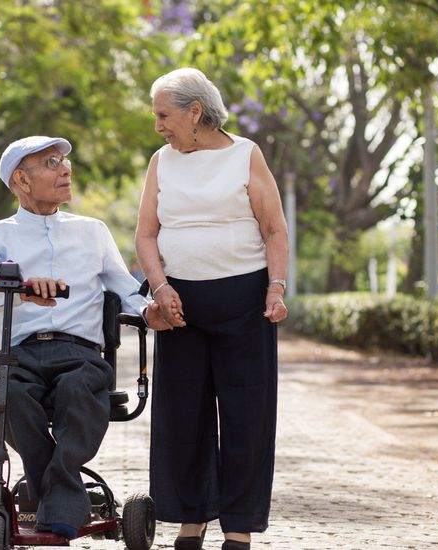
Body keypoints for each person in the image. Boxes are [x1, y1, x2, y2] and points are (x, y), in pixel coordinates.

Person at [0, 135, 182, 540]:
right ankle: (64, 499)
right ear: (22, 180)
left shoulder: (92, 232)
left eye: (64, 162)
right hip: (22, 352)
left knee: (80, 389)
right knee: (9, 392)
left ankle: (50, 493)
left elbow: (125, 288)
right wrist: (21, 285)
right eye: (51, 163)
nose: (65, 169)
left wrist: (152, 310)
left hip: (80, 353)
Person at [135, 68, 290, 550]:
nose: (158, 125)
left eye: (164, 114)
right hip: (179, 306)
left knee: (247, 415)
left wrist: (276, 286)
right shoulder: (162, 160)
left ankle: (239, 524)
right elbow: (145, 234)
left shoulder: (246, 155)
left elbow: (273, 229)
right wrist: (159, 286)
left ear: (194, 111)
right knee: (182, 415)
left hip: (245, 304)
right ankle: (191, 518)